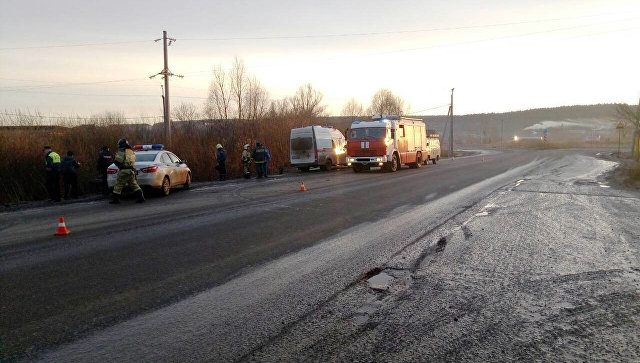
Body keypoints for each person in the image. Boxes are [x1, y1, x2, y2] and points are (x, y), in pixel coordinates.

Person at [110, 138, 144, 204]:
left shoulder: (122, 151)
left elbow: (118, 162)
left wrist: (114, 158)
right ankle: (141, 198)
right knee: (134, 185)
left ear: (121, 144)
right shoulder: (131, 151)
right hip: (131, 170)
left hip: (124, 170)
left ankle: (115, 200)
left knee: (118, 185)